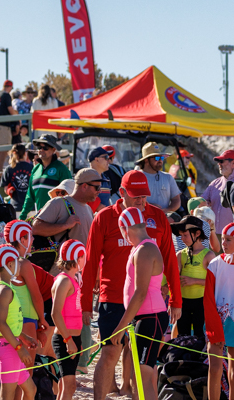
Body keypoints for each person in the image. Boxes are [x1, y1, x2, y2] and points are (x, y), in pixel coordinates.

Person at [83, 170, 182, 400]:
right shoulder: (105, 217)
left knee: (142, 364)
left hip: (146, 305)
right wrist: (86, 303)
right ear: (122, 192)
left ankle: (133, 393)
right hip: (113, 298)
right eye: (136, 196)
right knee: (110, 353)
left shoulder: (157, 217)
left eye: (144, 195)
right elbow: (90, 262)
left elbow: (170, 260)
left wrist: (176, 299)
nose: (141, 200)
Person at [108, 206, 169, 399]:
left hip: (150, 317)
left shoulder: (145, 249)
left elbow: (140, 293)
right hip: (146, 317)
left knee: (143, 377)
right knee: (142, 376)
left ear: (125, 229)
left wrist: (120, 326)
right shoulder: (141, 248)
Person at [205, 223, 234, 400]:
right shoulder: (215, 264)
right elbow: (208, 300)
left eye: (228, 240)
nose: (223, 243)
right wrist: (214, 330)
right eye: (223, 239)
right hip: (216, 323)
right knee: (215, 368)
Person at [0, 245, 37, 400]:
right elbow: (1, 324)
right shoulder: (4, 290)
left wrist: (23, 337)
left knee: (31, 389)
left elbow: (8, 322)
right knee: (7, 395)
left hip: (9, 343)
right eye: (17, 262)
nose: (20, 266)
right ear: (9, 264)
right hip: (9, 347)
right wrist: (19, 348)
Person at [4, 220, 54, 358]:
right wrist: (41, 321)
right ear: (22, 240)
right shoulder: (23, 264)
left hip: (9, 319)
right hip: (28, 317)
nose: (33, 240)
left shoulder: (2, 262)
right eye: (31, 236)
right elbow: (35, 297)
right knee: (30, 366)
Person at [32, 168, 99, 252]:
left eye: (63, 192)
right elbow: (36, 228)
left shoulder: (88, 208)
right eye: (97, 187)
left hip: (83, 260)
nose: (60, 195)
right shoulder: (57, 203)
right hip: (61, 260)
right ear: (84, 186)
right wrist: (65, 225)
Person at [51, 240, 86, 400]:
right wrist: (68, 340)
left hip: (72, 338)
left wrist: (76, 341)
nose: (85, 260)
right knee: (70, 386)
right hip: (64, 339)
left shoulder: (71, 279)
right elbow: (55, 313)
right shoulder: (64, 281)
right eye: (83, 257)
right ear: (76, 258)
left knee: (65, 385)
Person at [172, 215, 215, 337]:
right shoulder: (180, 254)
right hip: (183, 302)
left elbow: (215, 282)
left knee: (199, 335)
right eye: (180, 235)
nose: (182, 239)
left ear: (197, 234)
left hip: (201, 302)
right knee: (183, 336)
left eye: (185, 235)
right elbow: (174, 279)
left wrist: (194, 281)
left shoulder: (209, 255)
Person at [21, 134, 73, 218]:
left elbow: (70, 196)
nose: (41, 150)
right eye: (39, 147)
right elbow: (30, 197)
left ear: (53, 150)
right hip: (40, 219)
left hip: (58, 220)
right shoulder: (35, 169)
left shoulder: (62, 169)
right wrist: (22, 217)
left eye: (45, 147)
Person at [134, 143, 181, 212]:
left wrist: (167, 210)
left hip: (164, 217)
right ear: (146, 160)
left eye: (162, 158)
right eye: (157, 158)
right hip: (142, 217)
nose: (160, 161)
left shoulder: (168, 177)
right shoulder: (136, 178)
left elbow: (176, 200)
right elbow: (130, 200)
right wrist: (148, 207)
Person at [203, 149, 234, 232]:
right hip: (214, 234)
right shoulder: (215, 183)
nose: (219, 164)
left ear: (233, 163)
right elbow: (202, 201)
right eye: (218, 162)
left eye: (222, 161)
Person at [0, 80, 19, 172]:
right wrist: (17, 115)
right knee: (4, 149)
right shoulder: (6, 95)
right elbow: (10, 110)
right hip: (3, 125)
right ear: (10, 87)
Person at [1, 144, 33, 214]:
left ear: (13, 153)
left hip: (16, 207)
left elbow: (6, 189)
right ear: (25, 153)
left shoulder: (8, 169)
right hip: (31, 207)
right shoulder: (32, 167)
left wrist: (9, 190)